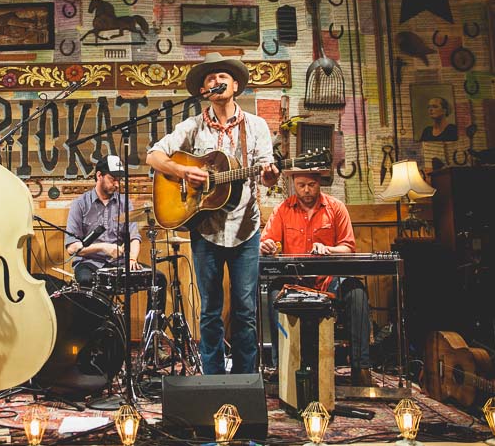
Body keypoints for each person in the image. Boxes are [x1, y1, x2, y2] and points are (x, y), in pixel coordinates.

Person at [147, 53, 279, 374]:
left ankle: (246, 380)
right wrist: (182, 171)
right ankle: (213, 379)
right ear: (203, 90)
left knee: (245, 310)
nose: (215, 81)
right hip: (206, 228)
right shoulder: (193, 126)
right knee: (210, 311)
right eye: (209, 78)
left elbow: (264, 170)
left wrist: (270, 175)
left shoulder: (256, 126)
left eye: (221, 76)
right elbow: (154, 155)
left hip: (245, 229)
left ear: (235, 85)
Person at [260, 169, 373, 385]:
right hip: (295, 282)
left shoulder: (336, 208)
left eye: (311, 184)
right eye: (301, 185)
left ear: (319, 182)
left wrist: (329, 249)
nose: (306, 190)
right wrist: (265, 247)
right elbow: (267, 244)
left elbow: (348, 248)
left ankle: (361, 368)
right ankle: (279, 366)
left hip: (328, 280)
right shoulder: (282, 210)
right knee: (274, 293)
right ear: (293, 183)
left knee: (356, 292)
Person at [65, 154, 166, 312]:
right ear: (99, 176)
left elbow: (134, 237)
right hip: (89, 263)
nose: (117, 184)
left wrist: (132, 257)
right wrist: (103, 248)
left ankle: (151, 334)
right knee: (85, 281)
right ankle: (94, 333)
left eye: (119, 180)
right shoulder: (80, 204)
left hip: (118, 263)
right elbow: (71, 247)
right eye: (113, 179)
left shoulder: (125, 203)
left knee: (158, 279)